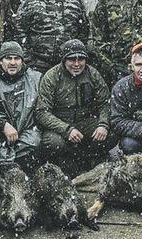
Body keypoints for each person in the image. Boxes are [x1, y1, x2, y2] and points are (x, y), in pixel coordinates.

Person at [35, 39, 114, 174]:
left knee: (112, 133)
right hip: (61, 123)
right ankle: (65, 161)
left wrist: (103, 125)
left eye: (81, 59)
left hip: (85, 121)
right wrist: (66, 129)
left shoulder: (93, 74)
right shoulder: (51, 77)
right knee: (54, 143)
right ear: (64, 60)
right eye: (72, 59)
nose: (77, 64)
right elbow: (42, 112)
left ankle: (90, 157)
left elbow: (105, 103)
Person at [0, 41, 43, 168]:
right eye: (8, 58)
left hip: (25, 134)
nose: (13, 62)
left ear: (22, 61)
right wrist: (2, 125)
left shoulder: (35, 79)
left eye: (17, 58)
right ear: (0, 61)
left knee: (37, 140)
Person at [16, 0, 90, 72]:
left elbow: (83, 31)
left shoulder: (76, 2)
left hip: (68, 63)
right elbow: (20, 31)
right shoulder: (30, 1)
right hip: (37, 64)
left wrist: (76, 57)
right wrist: (28, 58)